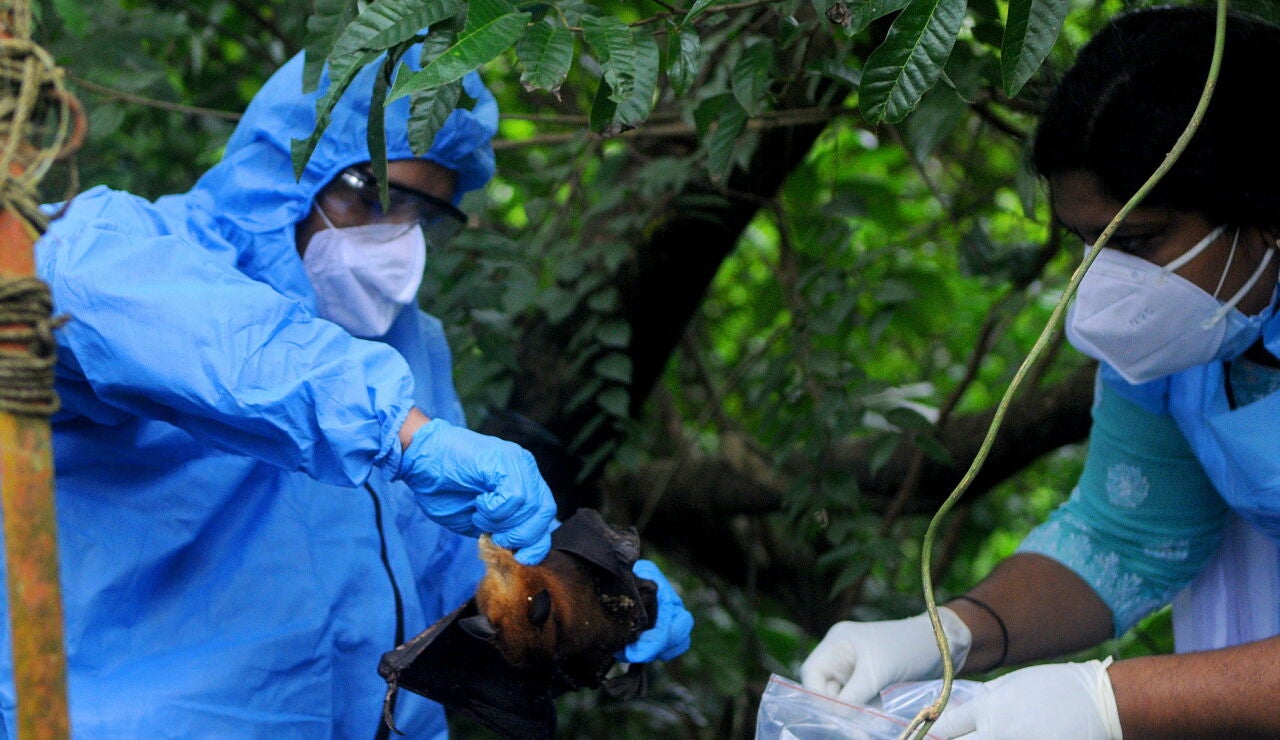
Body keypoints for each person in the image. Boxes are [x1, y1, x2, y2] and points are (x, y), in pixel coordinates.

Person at [0, 44, 692, 738]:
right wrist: (400, 430)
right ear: (290, 168)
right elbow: (213, 339)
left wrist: (573, 593)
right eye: (375, 197)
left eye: (425, 217)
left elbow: (442, 565)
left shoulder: (405, 348)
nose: (399, 243)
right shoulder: (124, 251)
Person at [800, 6, 1280, 738]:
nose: (1106, 280)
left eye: (1140, 240)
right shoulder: (1178, 344)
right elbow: (1125, 534)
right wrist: (954, 634)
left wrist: (1111, 703)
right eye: (1085, 242)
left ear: (1263, 211)